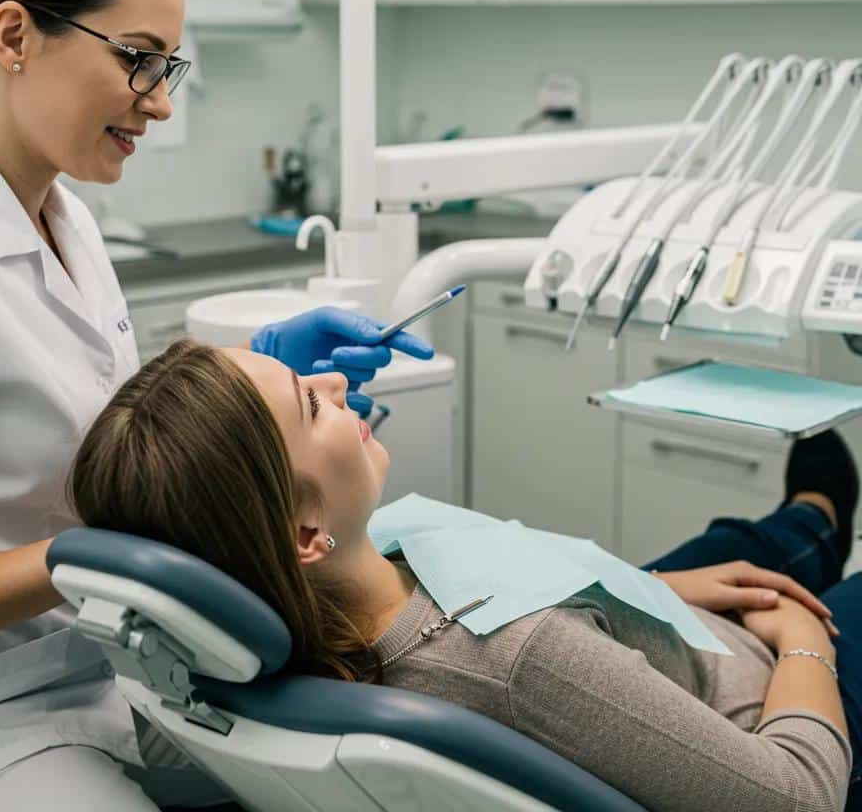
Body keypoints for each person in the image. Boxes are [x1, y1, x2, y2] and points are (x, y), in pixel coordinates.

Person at [0, 0, 430, 812]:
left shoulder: (62, 218)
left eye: (168, 66)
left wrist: (268, 384)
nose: (157, 101)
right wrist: (84, 557)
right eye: (138, 58)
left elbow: (72, 429)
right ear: (14, 36)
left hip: (92, 682)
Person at [70, 338, 862, 812]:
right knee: (803, 591)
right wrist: (801, 642)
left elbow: (541, 592)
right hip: (768, 703)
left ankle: (815, 515)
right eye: (309, 406)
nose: (338, 385)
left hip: (656, 640)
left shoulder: (334, 598)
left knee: (735, 548)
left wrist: (646, 591)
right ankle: (818, 529)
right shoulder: (522, 658)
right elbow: (796, 797)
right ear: (307, 532)